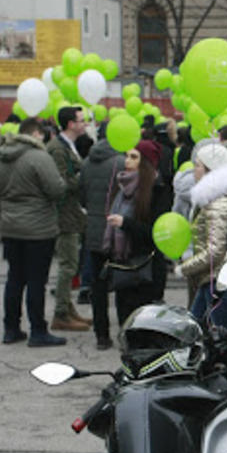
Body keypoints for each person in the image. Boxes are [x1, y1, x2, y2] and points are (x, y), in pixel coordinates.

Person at [0, 118, 67, 347]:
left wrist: (2, 218)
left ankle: (11, 329)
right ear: (37, 134)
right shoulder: (39, 158)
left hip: (11, 228)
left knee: (14, 278)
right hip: (39, 229)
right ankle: (38, 331)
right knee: (36, 281)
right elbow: (57, 189)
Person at [180, 142, 227, 383]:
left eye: (197, 165)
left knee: (226, 340)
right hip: (213, 279)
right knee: (192, 329)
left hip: (219, 281)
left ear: (209, 169)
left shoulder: (218, 202)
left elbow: (215, 250)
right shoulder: (214, 197)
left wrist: (185, 267)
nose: (194, 170)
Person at [103, 141, 171, 325]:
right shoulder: (121, 184)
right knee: (125, 320)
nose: (127, 161)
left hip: (146, 267)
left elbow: (156, 233)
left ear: (146, 162)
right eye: (127, 156)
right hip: (123, 265)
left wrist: (125, 223)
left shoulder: (158, 189)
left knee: (144, 321)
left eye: (134, 157)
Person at [79, 132, 125, 350]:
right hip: (117, 230)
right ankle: (125, 331)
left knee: (98, 286)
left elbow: (82, 196)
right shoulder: (121, 162)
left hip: (95, 228)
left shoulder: (87, 162)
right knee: (123, 283)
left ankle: (101, 335)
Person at [47, 106, 91, 332]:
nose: (85, 124)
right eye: (81, 120)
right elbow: (61, 182)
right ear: (70, 124)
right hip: (64, 216)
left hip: (72, 213)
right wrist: (83, 179)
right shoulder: (57, 149)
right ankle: (61, 313)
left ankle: (68, 307)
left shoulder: (67, 145)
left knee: (71, 263)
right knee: (68, 265)